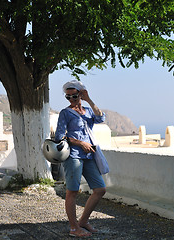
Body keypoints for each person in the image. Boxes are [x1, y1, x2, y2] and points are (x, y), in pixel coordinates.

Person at [55, 80, 106, 238]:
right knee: (72, 191)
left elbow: (101, 118)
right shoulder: (65, 113)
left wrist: (88, 99)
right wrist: (80, 142)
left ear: (80, 95)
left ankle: (83, 221)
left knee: (100, 189)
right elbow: (59, 136)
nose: (71, 99)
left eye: (74, 96)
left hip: (89, 155)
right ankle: (73, 228)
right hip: (73, 156)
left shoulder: (89, 111)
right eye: (68, 96)